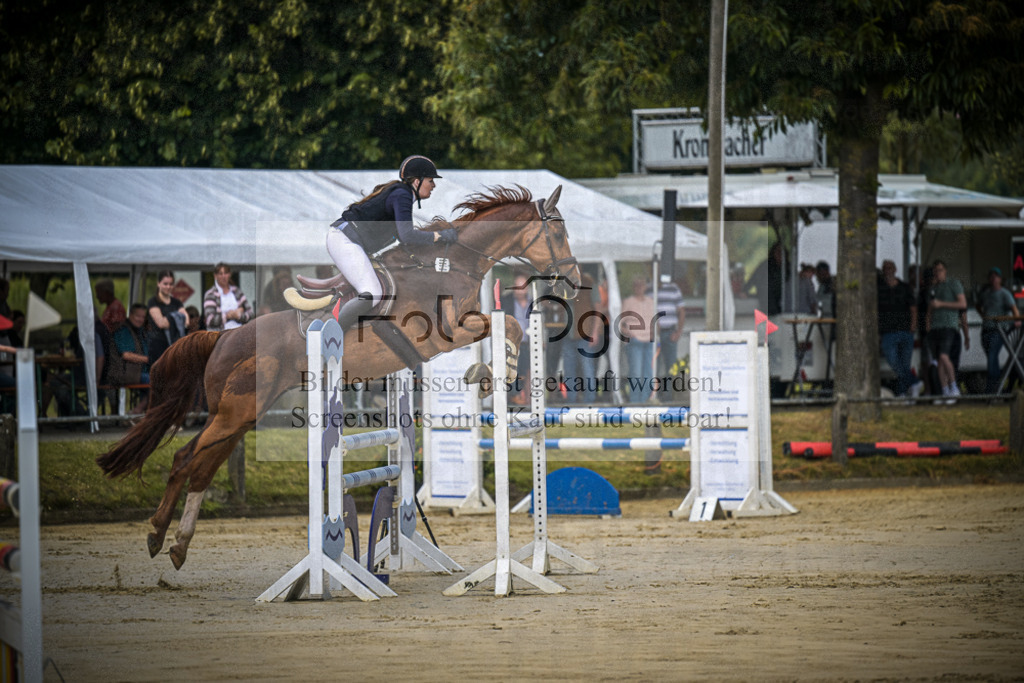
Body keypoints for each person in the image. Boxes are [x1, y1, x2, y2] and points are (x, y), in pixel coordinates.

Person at [326, 155, 456, 331]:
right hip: (345, 240)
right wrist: (439, 237)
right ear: (417, 182)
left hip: (348, 239)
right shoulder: (402, 195)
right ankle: (331, 336)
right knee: (373, 293)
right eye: (431, 180)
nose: (434, 185)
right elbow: (407, 235)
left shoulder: (401, 193)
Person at [877, 259, 922, 398]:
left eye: (890, 267)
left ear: (895, 270)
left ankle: (903, 393)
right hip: (887, 332)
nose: (887, 270)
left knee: (904, 363)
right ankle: (914, 382)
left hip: (906, 330)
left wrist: (913, 327)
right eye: (885, 268)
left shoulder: (905, 287)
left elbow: (913, 308)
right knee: (893, 360)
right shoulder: (879, 289)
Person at [925, 260, 966, 401]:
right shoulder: (933, 288)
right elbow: (930, 308)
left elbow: (963, 303)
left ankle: (954, 387)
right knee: (938, 361)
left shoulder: (953, 284)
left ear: (945, 270)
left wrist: (941, 303)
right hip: (935, 327)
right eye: (935, 271)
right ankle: (945, 390)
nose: (938, 273)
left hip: (949, 325)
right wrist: (928, 325)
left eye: (940, 270)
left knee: (944, 356)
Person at [977, 266, 1020, 394]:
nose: (993, 279)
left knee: (992, 356)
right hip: (986, 329)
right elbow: (978, 305)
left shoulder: (1005, 294)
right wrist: (983, 316)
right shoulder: (986, 294)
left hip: (999, 330)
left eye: (996, 276)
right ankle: (996, 387)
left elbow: (1014, 308)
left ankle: (991, 389)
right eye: (991, 276)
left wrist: (1016, 319)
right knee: (992, 358)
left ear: (1000, 279)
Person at [561, 274, 603, 404]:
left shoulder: (589, 282)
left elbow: (598, 309)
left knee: (587, 369)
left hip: (585, 334)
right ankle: (571, 400)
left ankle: (589, 400)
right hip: (568, 334)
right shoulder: (564, 284)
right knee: (569, 369)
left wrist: (595, 332)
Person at [619, 277, 656, 404]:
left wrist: (656, 334)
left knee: (648, 374)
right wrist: (629, 333)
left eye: (641, 285)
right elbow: (620, 323)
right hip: (635, 341)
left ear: (645, 287)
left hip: (649, 341)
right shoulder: (628, 301)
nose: (639, 288)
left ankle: (645, 402)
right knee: (636, 373)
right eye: (636, 285)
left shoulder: (651, 301)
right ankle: (635, 403)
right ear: (633, 287)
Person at [110, 303, 151, 412]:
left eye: (143, 317)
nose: (140, 320)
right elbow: (126, 355)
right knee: (157, 381)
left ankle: (144, 415)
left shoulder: (142, 331)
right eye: (138, 316)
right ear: (130, 315)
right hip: (123, 373)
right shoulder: (123, 331)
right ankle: (137, 411)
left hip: (139, 372)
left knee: (165, 379)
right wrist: (149, 360)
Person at [500, 272, 533, 404]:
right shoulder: (506, 301)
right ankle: (514, 397)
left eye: (523, 287)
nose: (520, 291)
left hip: (529, 343)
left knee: (529, 370)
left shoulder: (534, 301)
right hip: (512, 343)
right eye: (518, 287)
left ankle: (528, 399)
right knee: (513, 371)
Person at [646, 278, 687, 380]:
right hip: (654, 334)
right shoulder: (648, 290)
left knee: (671, 366)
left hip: (670, 332)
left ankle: (669, 395)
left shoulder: (673, 288)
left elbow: (681, 311)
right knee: (654, 366)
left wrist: (678, 332)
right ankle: (655, 394)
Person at [147, 270, 188, 365]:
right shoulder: (153, 302)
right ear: (158, 284)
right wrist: (177, 317)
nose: (168, 287)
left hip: (174, 346)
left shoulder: (177, 302)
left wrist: (169, 319)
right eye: (165, 284)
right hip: (157, 348)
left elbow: (187, 321)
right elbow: (161, 323)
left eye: (171, 284)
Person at [203, 263, 253, 332]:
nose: (223, 276)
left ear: (230, 274)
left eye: (226, 273)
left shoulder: (237, 291)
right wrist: (227, 315)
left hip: (239, 332)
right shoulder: (210, 294)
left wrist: (239, 316)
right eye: (220, 274)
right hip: (219, 335)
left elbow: (250, 313)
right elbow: (209, 320)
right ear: (215, 276)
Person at [743, 243, 785, 315]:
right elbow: (753, 279)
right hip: (769, 305)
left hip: (784, 305)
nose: (780, 255)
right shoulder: (765, 266)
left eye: (783, 253)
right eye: (778, 252)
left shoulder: (787, 268)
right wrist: (744, 291)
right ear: (773, 253)